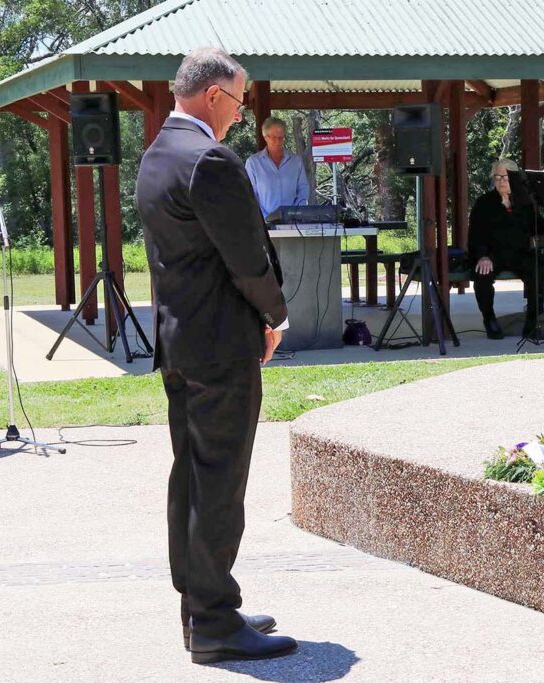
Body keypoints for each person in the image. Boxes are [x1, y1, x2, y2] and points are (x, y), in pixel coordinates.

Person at [135, 47, 298, 665]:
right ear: (211, 97)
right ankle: (214, 624)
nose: (240, 113)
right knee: (219, 486)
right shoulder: (210, 159)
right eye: (238, 99)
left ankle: (204, 605)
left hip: (180, 344)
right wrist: (275, 316)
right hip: (220, 348)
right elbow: (246, 258)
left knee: (194, 480)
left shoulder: (155, 155)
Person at [468, 159, 544, 340]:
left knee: (539, 270)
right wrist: (482, 256)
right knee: (481, 275)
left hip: (519, 253)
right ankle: (489, 320)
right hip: (492, 255)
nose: (500, 181)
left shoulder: (525, 201)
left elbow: (534, 223)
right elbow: (475, 235)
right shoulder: (484, 203)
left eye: (505, 177)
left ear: (514, 178)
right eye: (497, 177)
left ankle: (531, 325)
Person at [245, 117, 311, 218]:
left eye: (281, 137)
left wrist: (295, 214)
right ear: (265, 137)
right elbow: (250, 195)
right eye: (274, 137)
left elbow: (303, 189)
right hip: (263, 223)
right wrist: (263, 218)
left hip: (293, 223)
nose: (278, 141)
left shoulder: (296, 161)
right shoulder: (253, 163)